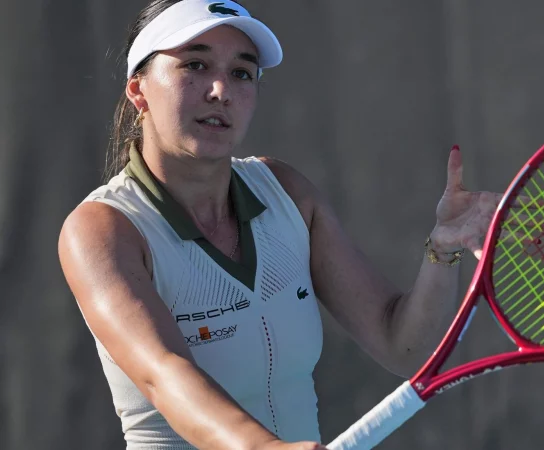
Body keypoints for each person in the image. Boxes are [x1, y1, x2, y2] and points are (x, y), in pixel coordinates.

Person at [58, 1, 502, 449]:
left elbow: (402, 345)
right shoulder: (101, 229)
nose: (221, 90)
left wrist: (443, 250)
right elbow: (164, 373)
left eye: (241, 73)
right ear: (139, 91)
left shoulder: (287, 193)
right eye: (195, 64)